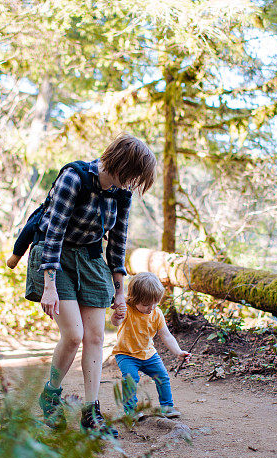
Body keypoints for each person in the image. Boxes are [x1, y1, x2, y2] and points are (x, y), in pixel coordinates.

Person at [25, 133, 156, 436]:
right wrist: (49, 284)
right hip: (54, 257)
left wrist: (121, 291)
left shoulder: (122, 193)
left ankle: (90, 411)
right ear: (122, 164)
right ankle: (50, 396)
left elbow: (118, 243)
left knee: (95, 338)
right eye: (134, 175)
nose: (133, 184)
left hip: (91, 259)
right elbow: (54, 232)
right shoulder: (74, 178)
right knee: (73, 335)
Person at [111, 272, 188, 418]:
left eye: (155, 303)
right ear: (134, 299)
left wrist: (178, 352)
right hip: (126, 354)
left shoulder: (156, 313)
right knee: (130, 378)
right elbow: (116, 322)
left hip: (148, 353)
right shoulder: (127, 309)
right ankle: (130, 411)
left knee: (163, 376)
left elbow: (166, 335)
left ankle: (167, 407)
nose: (151, 308)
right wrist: (117, 315)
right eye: (146, 304)